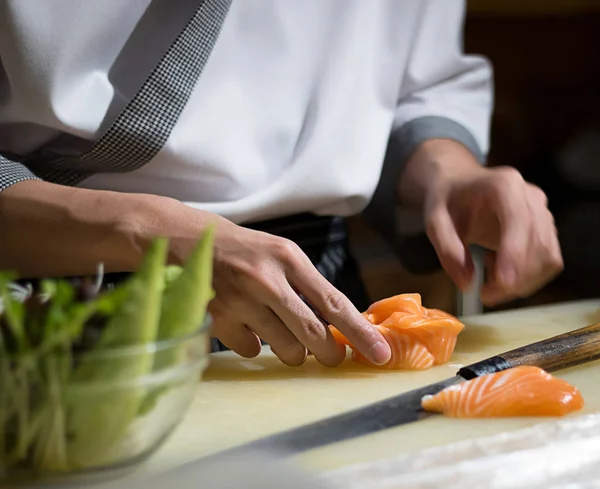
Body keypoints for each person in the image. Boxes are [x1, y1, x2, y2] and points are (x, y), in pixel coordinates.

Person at [0, 0, 562, 368]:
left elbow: (412, 80)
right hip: (61, 312)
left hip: (321, 309)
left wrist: (447, 169)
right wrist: (145, 234)